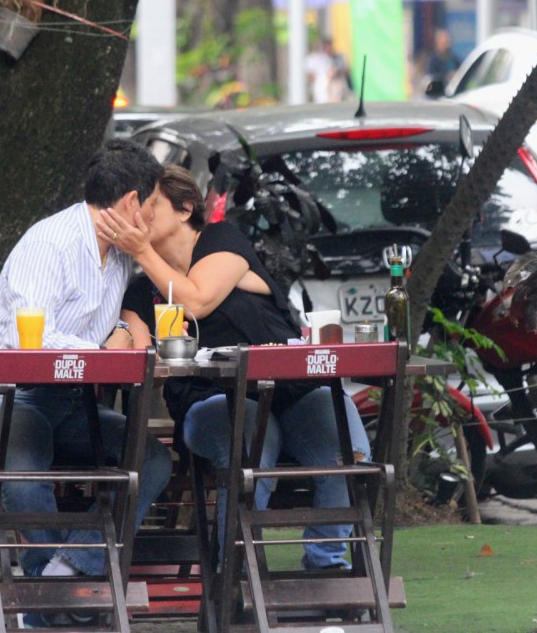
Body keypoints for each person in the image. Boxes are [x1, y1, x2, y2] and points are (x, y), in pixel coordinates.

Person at [101, 165, 371, 571]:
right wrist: (120, 332)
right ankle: (234, 576)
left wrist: (141, 251)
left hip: (293, 389)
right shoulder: (142, 292)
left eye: (152, 202)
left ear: (185, 208)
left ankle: (328, 565)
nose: (141, 214)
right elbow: (131, 349)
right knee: (251, 435)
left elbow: (196, 300)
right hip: (209, 401)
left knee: (345, 445)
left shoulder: (221, 242)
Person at [0, 139, 173, 626]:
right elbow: (28, 335)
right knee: (24, 462)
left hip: (72, 404)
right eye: (154, 205)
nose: (154, 218)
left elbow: (126, 316)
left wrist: (121, 331)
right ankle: (46, 601)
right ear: (130, 204)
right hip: (10, 400)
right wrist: (104, 354)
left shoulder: (119, 255)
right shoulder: (50, 242)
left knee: (153, 459)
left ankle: (62, 575)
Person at [424, 28, 461, 98]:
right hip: (438, 96)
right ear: (438, 43)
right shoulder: (433, 61)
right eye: (444, 42)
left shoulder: (454, 59)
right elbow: (431, 78)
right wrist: (446, 76)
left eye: (447, 41)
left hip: (454, 94)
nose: (447, 44)